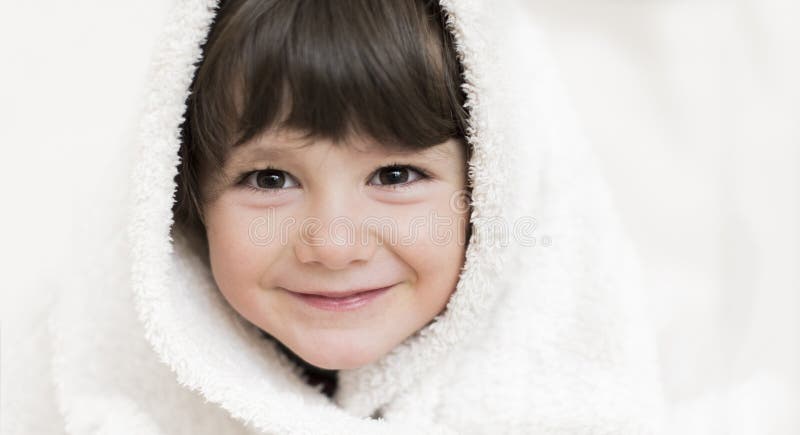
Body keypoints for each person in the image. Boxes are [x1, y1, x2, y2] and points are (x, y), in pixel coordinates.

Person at [43, 0, 667, 433]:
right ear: (183, 199)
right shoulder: (80, 396)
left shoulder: (580, 410)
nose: (334, 245)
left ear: (494, 189)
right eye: (270, 178)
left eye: (395, 176)